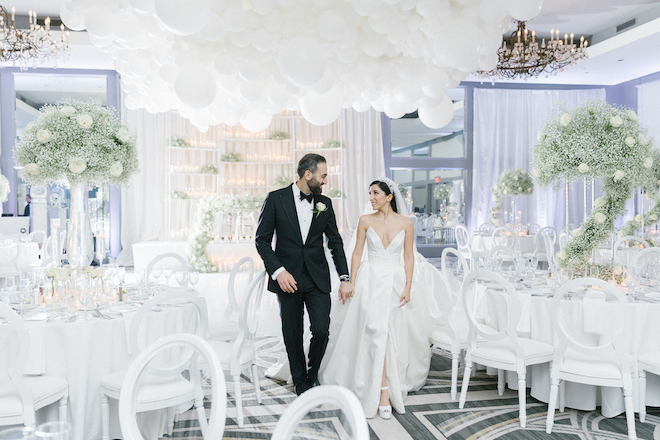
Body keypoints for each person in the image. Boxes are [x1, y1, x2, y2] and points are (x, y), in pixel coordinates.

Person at [319, 178, 441, 419]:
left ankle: (385, 386)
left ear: (389, 196)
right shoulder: (365, 220)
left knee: (389, 330)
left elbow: (408, 257)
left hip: (395, 282)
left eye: (375, 193)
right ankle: (383, 390)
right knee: (375, 329)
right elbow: (356, 253)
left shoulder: (406, 223)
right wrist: (350, 281)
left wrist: (408, 285)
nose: (371, 198)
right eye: (369, 193)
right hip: (370, 279)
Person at [255, 153, 353, 395]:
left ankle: (313, 373)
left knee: (321, 330)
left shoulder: (325, 204)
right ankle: (300, 380)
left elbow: (335, 243)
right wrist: (279, 272)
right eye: (323, 176)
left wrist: (344, 277)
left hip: (317, 277)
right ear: (308, 175)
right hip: (287, 279)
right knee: (293, 332)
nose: (325, 182)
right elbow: (262, 241)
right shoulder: (276, 199)